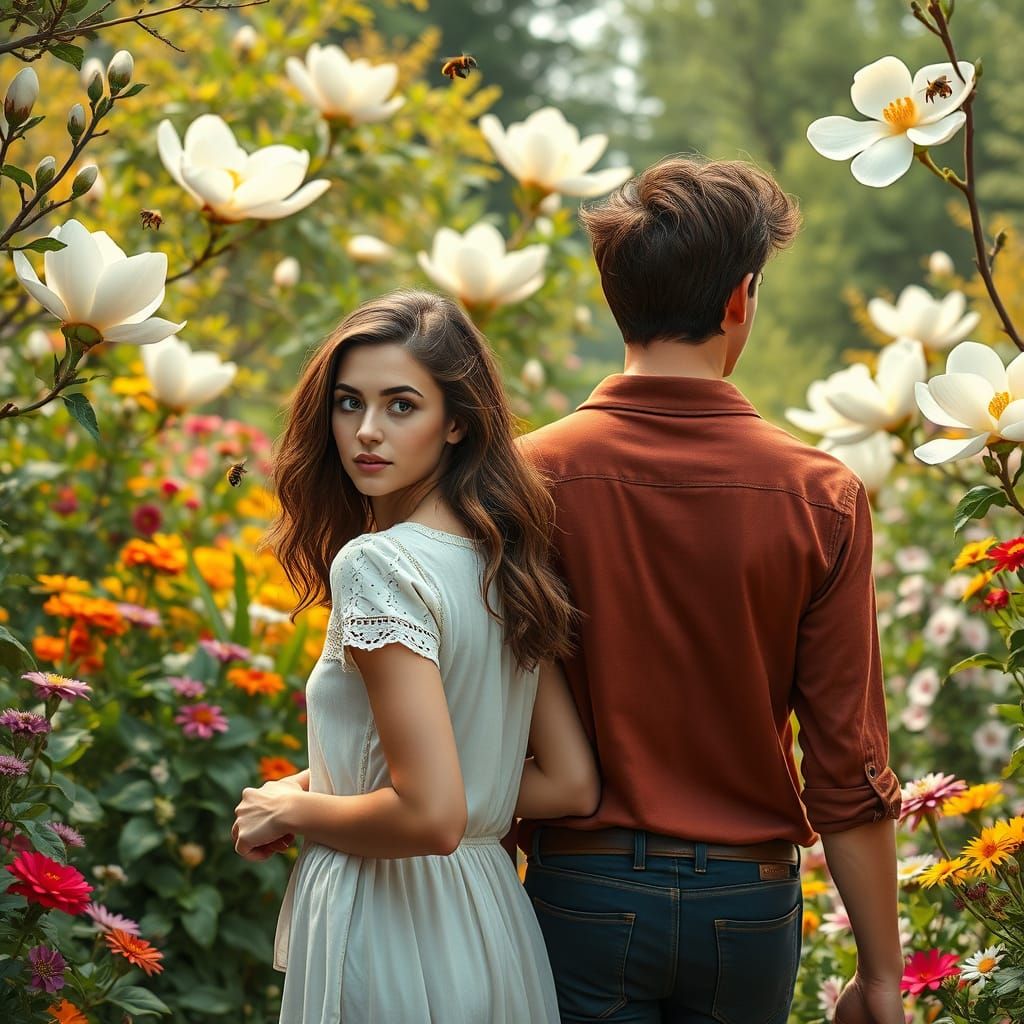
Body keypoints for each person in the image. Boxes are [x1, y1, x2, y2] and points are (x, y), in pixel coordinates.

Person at [516, 157, 905, 1024]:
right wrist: (882, 979)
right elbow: (846, 763)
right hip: (750, 902)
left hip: (578, 887)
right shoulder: (821, 495)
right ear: (740, 299)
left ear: (615, 298)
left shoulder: (525, 479)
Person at [231, 290, 599, 1024]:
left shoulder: (377, 564)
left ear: (456, 422)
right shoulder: (503, 560)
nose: (367, 431)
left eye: (402, 405)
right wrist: (340, 782)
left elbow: (432, 815)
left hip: (390, 924)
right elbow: (568, 784)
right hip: (490, 925)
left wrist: (293, 806)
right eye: (348, 403)